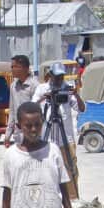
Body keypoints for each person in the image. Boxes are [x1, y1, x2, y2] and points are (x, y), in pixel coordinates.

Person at [33, 62, 84, 199]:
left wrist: (76, 94)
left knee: (70, 166)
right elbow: (31, 106)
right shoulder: (42, 88)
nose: (59, 80)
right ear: (50, 76)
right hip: (47, 137)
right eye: (57, 77)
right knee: (44, 166)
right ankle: (46, 196)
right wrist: (46, 97)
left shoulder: (66, 89)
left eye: (61, 77)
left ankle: (72, 197)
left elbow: (81, 109)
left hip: (66, 137)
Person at [3, 55, 39, 147]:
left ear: (24, 68)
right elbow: (12, 111)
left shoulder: (35, 86)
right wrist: (8, 134)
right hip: (18, 132)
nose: (12, 69)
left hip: (32, 131)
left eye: (14, 66)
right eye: (11, 67)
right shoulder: (13, 86)